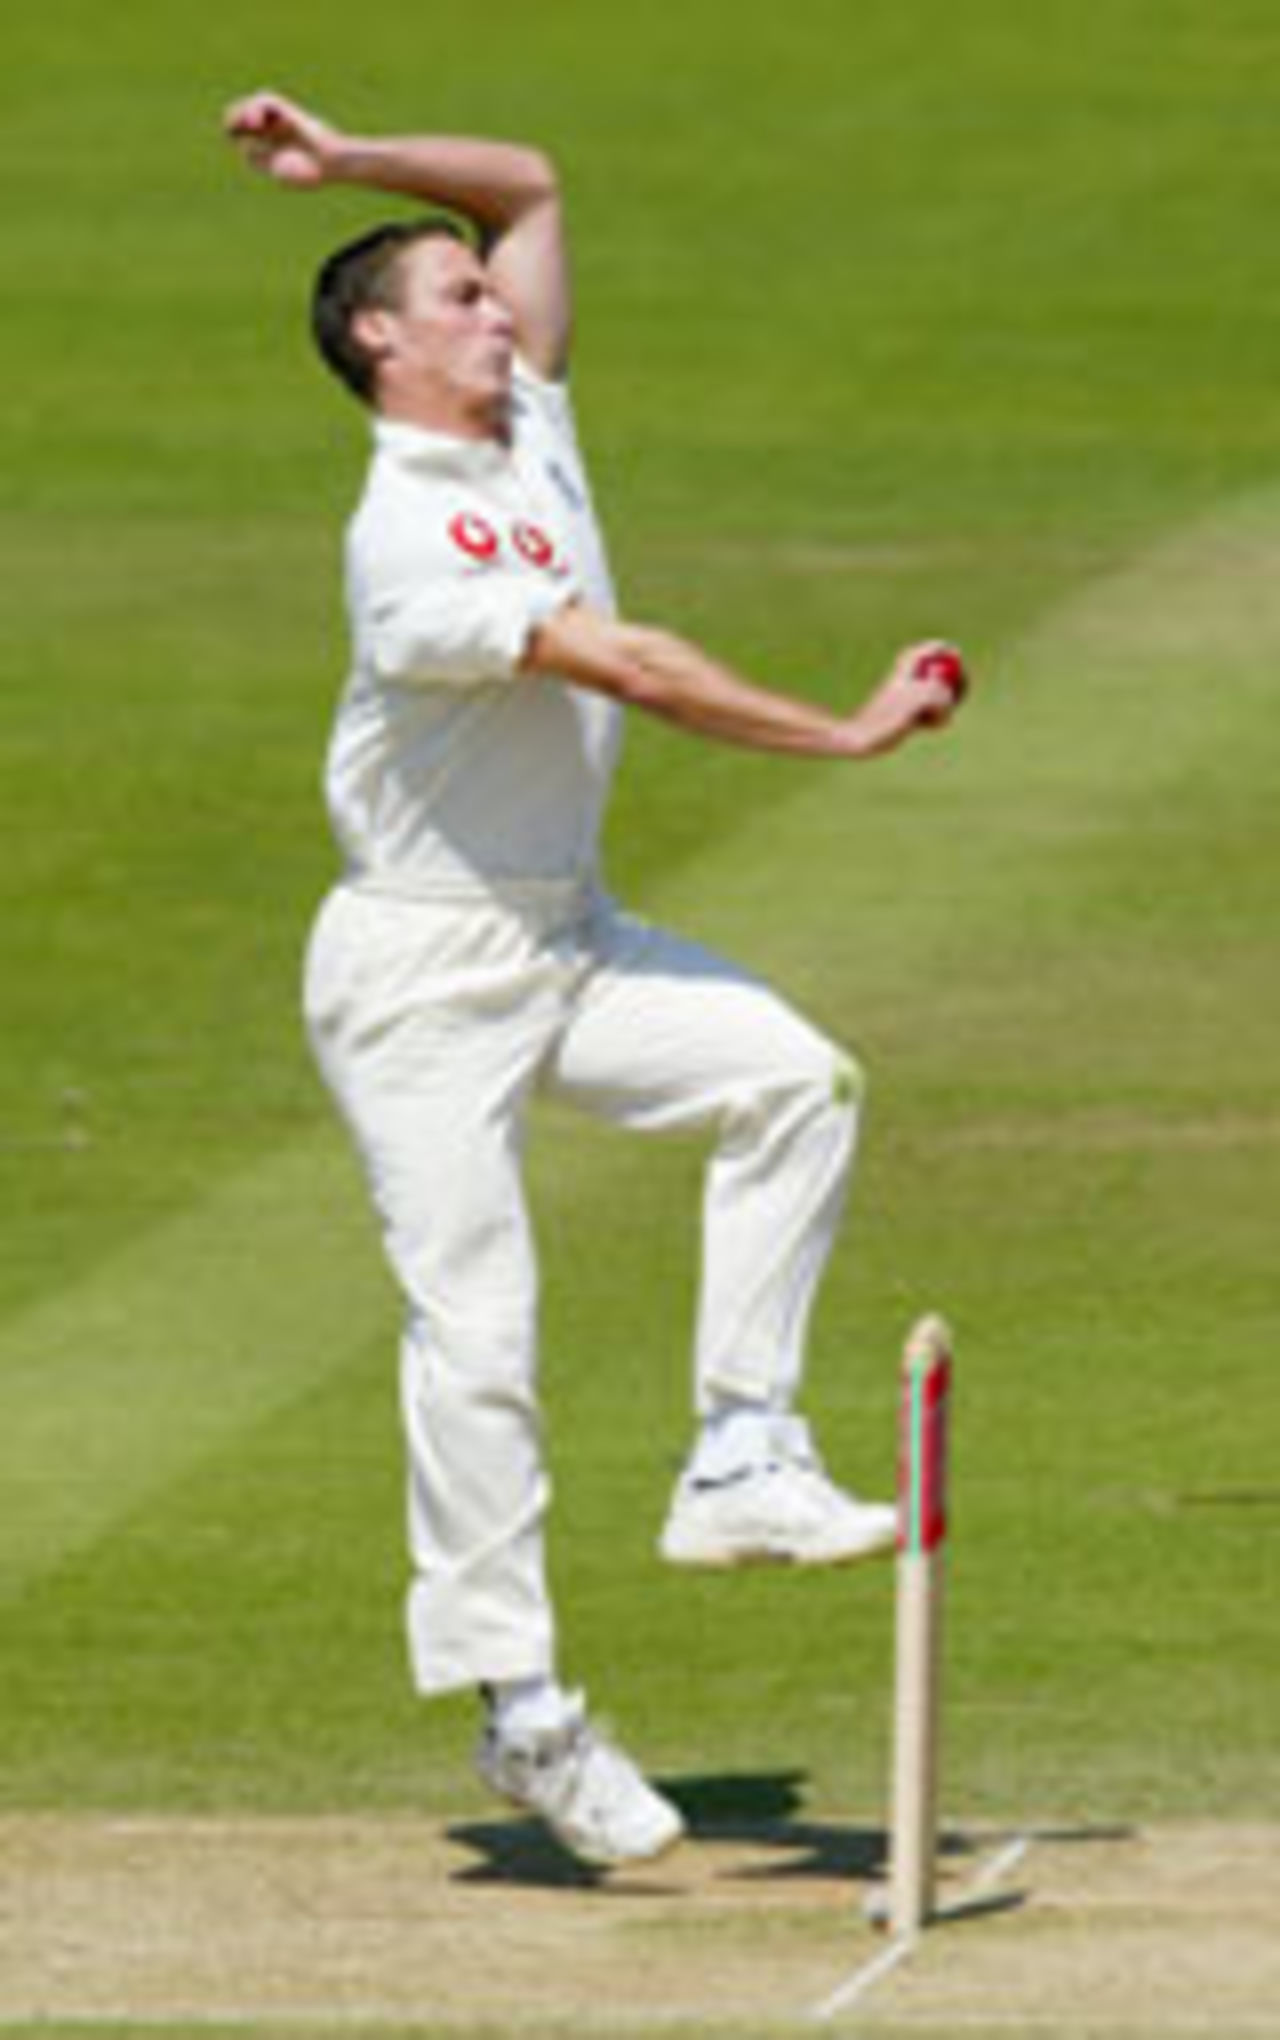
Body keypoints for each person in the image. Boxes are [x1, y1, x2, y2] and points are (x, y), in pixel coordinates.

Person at [224, 88, 967, 1871]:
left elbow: (536, 183)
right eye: (456, 296)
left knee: (794, 1079)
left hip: (562, 931)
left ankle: (742, 1453)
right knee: (479, 1334)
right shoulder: (408, 537)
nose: (498, 307)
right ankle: (525, 1711)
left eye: (492, 291)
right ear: (380, 342)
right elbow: (627, 663)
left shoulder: (529, 423)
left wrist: (344, 161)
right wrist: (842, 734)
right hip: (419, 969)